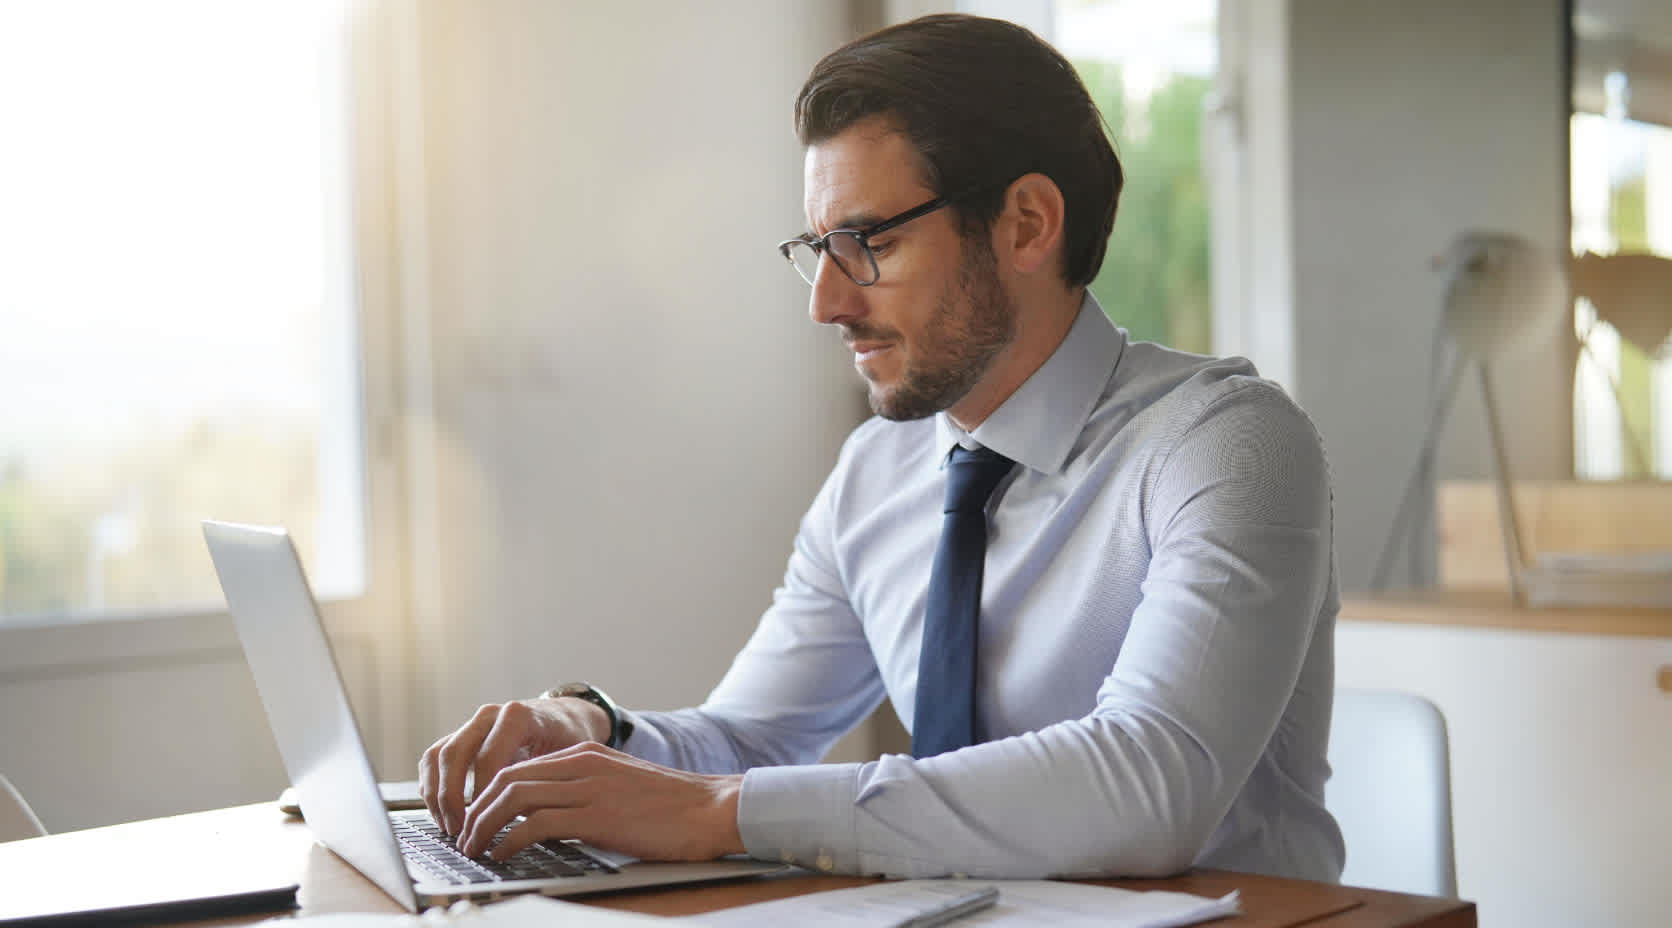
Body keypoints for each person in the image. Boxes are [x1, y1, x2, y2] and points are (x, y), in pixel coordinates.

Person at [419, 13, 1344, 882]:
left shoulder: (1226, 444)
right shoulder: (879, 473)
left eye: (867, 242)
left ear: (1026, 223)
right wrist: (591, 732)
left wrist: (722, 812)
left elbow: (1153, 783)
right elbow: (750, 740)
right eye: (818, 247)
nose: (827, 301)